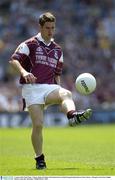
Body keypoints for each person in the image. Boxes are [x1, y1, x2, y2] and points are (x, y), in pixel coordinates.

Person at [10, 12, 92, 170]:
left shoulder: (58, 50)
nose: (50, 31)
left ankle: (72, 116)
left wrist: (61, 96)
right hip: (32, 89)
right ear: (40, 27)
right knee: (38, 125)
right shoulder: (30, 43)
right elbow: (14, 60)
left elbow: (57, 75)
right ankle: (39, 158)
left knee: (66, 93)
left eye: (53, 28)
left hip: (49, 87)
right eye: (47, 27)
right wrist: (24, 72)